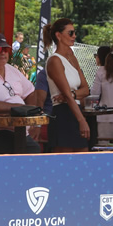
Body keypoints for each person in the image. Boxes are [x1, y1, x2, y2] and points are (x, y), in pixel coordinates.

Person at [45, 19, 91, 152]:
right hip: (62, 113)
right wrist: (81, 120)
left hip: (75, 110)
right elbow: (67, 94)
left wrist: (72, 94)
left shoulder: (72, 58)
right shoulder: (54, 60)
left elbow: (86, 89)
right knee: (65, 159)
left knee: (82, 156)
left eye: (74, 32)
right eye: (70, 33)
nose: (74, 36)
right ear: (58, 35)